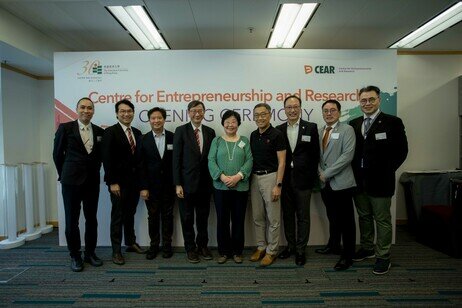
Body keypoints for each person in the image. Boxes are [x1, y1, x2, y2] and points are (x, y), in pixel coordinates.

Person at [349, 85, 408, 275]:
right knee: (364, 217)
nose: (367, 103)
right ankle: (367, 248)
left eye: (371, 99)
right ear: (359, 102)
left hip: (381, 181)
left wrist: (387, 170)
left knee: (382, 219)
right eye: (363, 100)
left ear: (379, 100)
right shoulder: (354, 123)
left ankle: (383, 256)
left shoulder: (393, 122)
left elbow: (402, 151)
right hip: (358, 181)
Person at [53, 97, 104, 272]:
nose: (86, 110)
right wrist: (64, 174)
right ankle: (75, 255)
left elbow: (99, 156)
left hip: (92, 182)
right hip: (71, 182)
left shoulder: (99, 131)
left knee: (92, 219)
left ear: (93, 111)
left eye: (90, 108)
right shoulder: (65, 128)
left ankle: (90, 253)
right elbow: (57, 155)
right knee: (71, 220)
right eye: (83, 107)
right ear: (77, 109)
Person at [276, 95, 320, 266]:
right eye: (289, 107)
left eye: (295, 107)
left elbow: (316, 154)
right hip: (285, 180)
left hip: (304, 180)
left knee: (303, 217)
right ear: (284, 109)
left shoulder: (311, 127)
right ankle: (291, 247)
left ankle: (301, 250)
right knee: (287, 216)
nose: (292, 110)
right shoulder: (278, 129)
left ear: (300, 108)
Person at [102, 99, 146, 266]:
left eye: (129, 111)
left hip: (134, 184)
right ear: (117, 113)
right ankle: (116, 250)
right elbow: (107, 160)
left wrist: (142, 185)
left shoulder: (136, 131)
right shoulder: (110, 132)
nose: (126, 114)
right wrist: (112, 182)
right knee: (118, 216)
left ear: (133, 113)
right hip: (118, 184)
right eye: (123, 111)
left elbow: (140, 161)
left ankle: (130, 242)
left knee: (130, 214)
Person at [173, 100, 216, 263]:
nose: (197, 114)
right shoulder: (181, 131)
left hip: (205, 185)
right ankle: (190, 248)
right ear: (188, 113)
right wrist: (177, 184)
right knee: (187, 219)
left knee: (203, 218)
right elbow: (176, 159)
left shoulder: (210, 132)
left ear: (204, 112)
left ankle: (202, 246)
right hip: (185, 185)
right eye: (193, 111)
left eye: (200, 110)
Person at [208, 110, 253, 264]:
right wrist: (222, 176)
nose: (230, 124)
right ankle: (223, 252)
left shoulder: (245, 141)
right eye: (227, 121)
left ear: (238, 124)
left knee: (238, 220)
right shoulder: (217, 141)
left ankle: (237, 252)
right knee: (222, 220)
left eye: (233, 121)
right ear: (223, 123)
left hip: (240, 188)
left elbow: (250, 161)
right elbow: (211, 160)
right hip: (220, 188)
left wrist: (238, 176)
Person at [318, 99, 357, 271]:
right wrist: (319, 171)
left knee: (346, 221)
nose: (329, 113)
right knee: (333, 217)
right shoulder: (320, 131)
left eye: (332, 110)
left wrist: (325, 174)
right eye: (326, 110)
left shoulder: (347, 130)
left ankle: (347, 256)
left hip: (342, 183)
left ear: (339, 112)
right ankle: (333, 245)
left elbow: (347, 156)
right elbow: (317, 156)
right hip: (324, 184)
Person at [249, 103, 286, 266]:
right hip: (254, 179)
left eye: (263, 114)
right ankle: (261, 246)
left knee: (273, 218)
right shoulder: (252, 135)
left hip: (271, 178)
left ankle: (272, 251)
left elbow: (282, 162)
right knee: (257, 216)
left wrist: (278, 185)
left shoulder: (277, 134)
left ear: (270, 115)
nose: (260, 118)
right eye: (257, 115)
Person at [137, 107, 175, 260]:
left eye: (159, 118)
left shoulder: (173, 137)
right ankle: (153, 246)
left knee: (168, 217)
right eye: (153, 118)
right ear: (149, 120)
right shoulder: (143, 139)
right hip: (150, 188)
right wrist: (143, 187)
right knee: (152, 217)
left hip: (169, 186)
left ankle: (167, 245)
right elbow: (140, 165)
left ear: (164, 119)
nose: (156, 121)